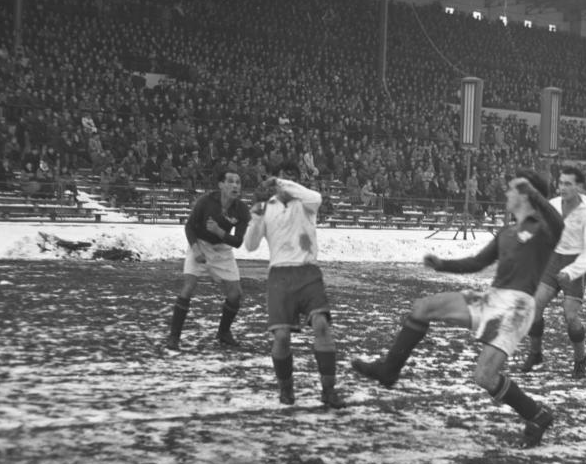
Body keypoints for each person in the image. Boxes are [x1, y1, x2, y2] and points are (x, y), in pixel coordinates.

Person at [352, 170, 565, 448]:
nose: (506, 194)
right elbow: (477, 263)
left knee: (484, 377)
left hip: (516, 309)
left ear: (526, 195)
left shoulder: (543, 229)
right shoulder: (508, 231)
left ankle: (537, 414)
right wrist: (442, 264)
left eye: (513, 189)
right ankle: (389, 370)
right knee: (423, 308)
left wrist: (536, 195)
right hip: (492, 298)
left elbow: (559, 224)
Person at [243, 162, 348, 409]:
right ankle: (286, 389)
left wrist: (280, 182)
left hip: (308, 272)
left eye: (292, 178)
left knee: (321, 326)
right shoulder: (266, 208)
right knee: (281, 337)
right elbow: (250, 245)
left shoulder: (306, 203)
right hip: (280, 275)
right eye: (282, 178)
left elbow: (317, 196)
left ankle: (328, 390)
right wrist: (255, 217)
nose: (286, 182)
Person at [522, 167, 586, 379]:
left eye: (568, 184)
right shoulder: (554, 205)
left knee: (570, 314)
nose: (562, 187)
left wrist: (572, 272)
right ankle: (535, 354)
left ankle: (580, 359)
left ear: (579, 187)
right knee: (535, 305)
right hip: (555, 259)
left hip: (576, 262)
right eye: (561, 183)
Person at [165, 170, 250, 350]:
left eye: (238, 182)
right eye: (231, 181)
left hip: (222, 249)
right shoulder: (206, 201)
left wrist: (220, 232)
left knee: (236, 294)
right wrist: (195, 249)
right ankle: (174, 337)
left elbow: (238, 242)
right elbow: (189, 226)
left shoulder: (241, 209)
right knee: (188, 287)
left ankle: (223, 333)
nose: (235, 185)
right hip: (200, 244)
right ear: (220, 185)